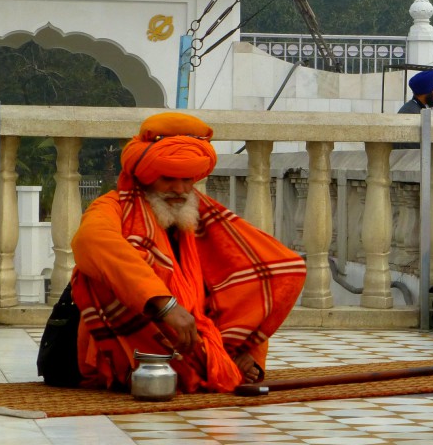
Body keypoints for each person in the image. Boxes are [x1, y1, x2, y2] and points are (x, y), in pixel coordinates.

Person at [70, 112, 306, 394]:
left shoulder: (199, 211)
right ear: (146, 176)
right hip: (140, 331)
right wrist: (165, 305)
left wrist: (250, 351)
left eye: (187, 179)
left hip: (191, 332)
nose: (180, 190)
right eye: (169, 178)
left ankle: (227, 356)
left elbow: (251, 278)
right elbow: (90, 241)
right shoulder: (113, 206)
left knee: (258, 272)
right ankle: (206, 362)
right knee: (109, 270)